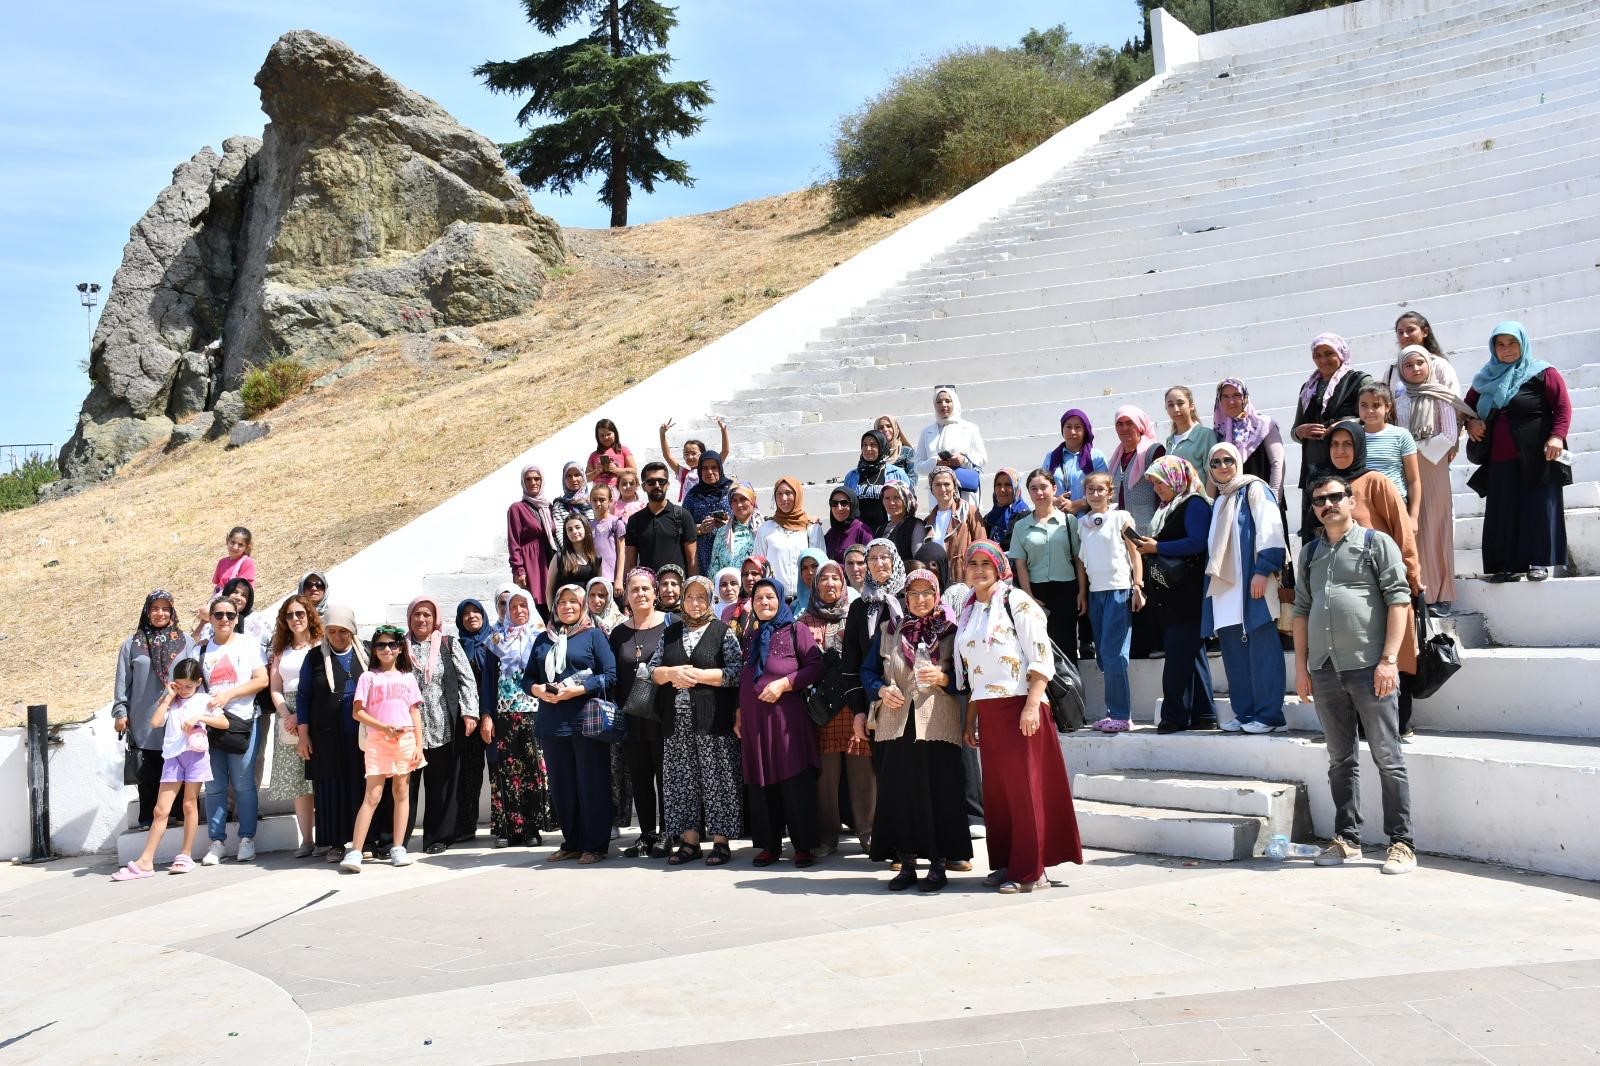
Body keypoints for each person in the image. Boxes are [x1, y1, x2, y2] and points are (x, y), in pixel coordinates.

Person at [1292, 474, 1417, 875]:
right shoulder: (1309, 553)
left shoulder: (1375, 543)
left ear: (1349, 499)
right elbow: (1300, 611)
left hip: (1370, 667)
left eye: (1334, 497)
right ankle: (1348, 839)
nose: (1327, 504)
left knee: (1387, 756)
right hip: (1325, 669)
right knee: (1339, 759)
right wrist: (1301, 667)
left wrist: (1389, 660)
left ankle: (1402, 843)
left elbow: (1399, 600)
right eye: (1319, 500)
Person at [953, 542, 1083, 893]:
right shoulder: (967, 610)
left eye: (986, 564)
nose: (979, 570)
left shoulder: (1018, 602)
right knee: (1000, 796)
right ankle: (1009, 861)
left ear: (999, 568)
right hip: (989, 712)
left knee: (1026, 791)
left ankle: (1032, 871)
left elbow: (1041, 658)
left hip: (1022, 705)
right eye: (972, 564)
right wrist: (970, 720)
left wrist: (1031, 706)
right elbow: (975, 675)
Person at [860, 566, 971, 890]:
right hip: (896, 724)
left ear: (937, 596)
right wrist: (881, 690)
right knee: (900, 795)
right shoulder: (889, 629)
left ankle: (938, 865)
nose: (920, 599)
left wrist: (945, 678)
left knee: (937, 794)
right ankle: (906, 863)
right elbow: (868, 671)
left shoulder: (952, 631)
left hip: (936, 723)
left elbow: (967, 680)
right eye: (913, 593)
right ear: (904, 597)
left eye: (927, 592)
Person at [1321, 420, 1423, 736]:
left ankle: (1396, 724)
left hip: (1384, 585)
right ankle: (1362, 725)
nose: (1340, 451)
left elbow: (1402, 529)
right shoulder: (1324, 488)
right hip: (1348, 592)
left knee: (1394, 652)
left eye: (1347, 444)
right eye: (1335, 445)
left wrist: (1412, 573)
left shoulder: (1375, 481)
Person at [1465, 320, 1572, 583]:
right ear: (1493, 348)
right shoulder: (1484, 378)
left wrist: (1557, 436)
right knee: (1504, 511)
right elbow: (1465, 408)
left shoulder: (1542, 372)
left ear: (1522, 343)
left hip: (1537, 454)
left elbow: (1562, 406)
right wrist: (1470, 422)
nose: (1507, 349)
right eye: (1500, 344)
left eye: (1512, 342)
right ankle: (1507, 566)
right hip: (1499, 457)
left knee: (1537, 507)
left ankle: (1538, 563)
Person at [650, 573, 744, 865]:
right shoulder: (670, 633)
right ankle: (689, 842)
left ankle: (720, 841)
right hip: (675, 719)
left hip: (712, 716)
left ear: (710, 599)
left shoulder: (722, 631)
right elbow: (652, 670)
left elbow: (737, 672)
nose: (694, 602)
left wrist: (701, 676)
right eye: (689, 597)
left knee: (718, 779)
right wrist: (672, 674)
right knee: (681, 779)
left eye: (701, 597)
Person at [374, 597, 480, 855]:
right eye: (417, 615)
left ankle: (437, 838)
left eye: (427, 615)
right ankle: (393, 840)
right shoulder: (398, 646)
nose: (422, 619)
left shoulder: (448, 644)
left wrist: (470, 713)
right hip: (405, 729)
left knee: (440, 786)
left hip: (442, 725)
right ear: (409, 618)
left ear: (435, 618)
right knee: (402, 786)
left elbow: (467, 680)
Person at [525, 584, 617, 864]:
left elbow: (610, 676)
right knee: (563, 786)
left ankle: (596, 845)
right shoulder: (544, 639)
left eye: (573, 602)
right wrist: (537, 690)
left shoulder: (593, 636)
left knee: (592, 784)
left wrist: (579, 689)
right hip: (553, 724)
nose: (567, 606)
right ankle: (573, 842)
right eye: (561, 602)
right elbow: (527, 678)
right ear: (554, 607)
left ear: (582, 606)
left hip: (586, 722)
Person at [111, 660, 227, 880]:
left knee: (189, 804)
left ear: (198, 683)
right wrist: (168, 696)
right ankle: (146, 861)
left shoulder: (204, 700)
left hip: (196, 755)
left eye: (189, 686)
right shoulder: (170, 700)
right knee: (160, 809)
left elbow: (224, 723)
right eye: (180, 685)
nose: (184, 690)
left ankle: (186, 854)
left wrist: (200, 718)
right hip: (172, 757)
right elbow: (155, 722)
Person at [738, 577, 825, 867]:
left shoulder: (795, 630)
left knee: (793, 779)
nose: (764, 602)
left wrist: (784, 684)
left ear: (780, 600)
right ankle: (769, 846)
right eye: (759, 598)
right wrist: (738, 712)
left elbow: (815, 667)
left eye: (770, 597)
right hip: (755, 723)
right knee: (762, 782)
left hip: (787, 720)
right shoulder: (749, 636)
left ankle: (802, 846)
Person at [1202, 442, 1289, 733]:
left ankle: (1269, 715)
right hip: (1225, 588)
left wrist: (1263, 570)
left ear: (1238, 462)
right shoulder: (1219, 500)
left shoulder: (1254, 488)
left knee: (1262, 647)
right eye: (1216, 463)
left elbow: (1271, 530)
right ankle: (1245, 712)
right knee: (1233, 651)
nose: (1223, 466)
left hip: (1252, 582)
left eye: (1228, 460)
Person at [1130, 457, 1216, 733]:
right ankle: (1204, 713)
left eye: (1160, 482)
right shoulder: (1169, 508)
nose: (1156, 488)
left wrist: (1157, 548)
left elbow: (1197, 542)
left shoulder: (1194, 503)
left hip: (1186, 595)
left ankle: (1174, 716)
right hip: (1174, 595)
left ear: (1176, 478)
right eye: (1153, 484)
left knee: (1178, 656)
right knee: (1192, 654)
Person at [1391, 342, 1474, 614]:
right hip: (1405, 468)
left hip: (1432, 464)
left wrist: (1414, 450)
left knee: (1436, 527)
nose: (1415, 369)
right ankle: (1418, 591)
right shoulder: (1399, 398)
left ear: (1429, 364)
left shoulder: (1440, 394)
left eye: (1420, 363)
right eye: (1408, 365)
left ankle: (1441, 592)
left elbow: (1449, 434)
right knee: (1412, 531)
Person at [801, 559, 875, 857]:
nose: (829, 583)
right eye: (823, 579)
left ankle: (870, 834)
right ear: (815, 584)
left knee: (863, 775)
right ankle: (827, 836)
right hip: (823, 709)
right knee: (825, 778)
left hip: (853, 703)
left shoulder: (855, 613)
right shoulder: (804, 621)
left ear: (844, 584)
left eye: (835, 578)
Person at [343, 625, 426, 872]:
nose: (387, 649)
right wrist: (384, 727)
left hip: (406, 740)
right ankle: (356, 851)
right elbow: (358, 712)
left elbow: (415, 711)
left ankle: (399, 847)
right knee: (373, 795)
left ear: (400, 648)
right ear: (374, 649)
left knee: (402, 792)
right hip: (378, 741)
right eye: (381, 645)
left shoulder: (408, 678)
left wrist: (420, 745)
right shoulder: (368, 677)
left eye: (392, 644)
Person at [114, 590, 196, 830]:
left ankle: (181, 814)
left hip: (177, 716)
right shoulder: (132, 644)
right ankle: (148, 817)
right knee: (148, 769)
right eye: (155, 608)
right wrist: (120, 712)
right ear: (147, 611)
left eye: (165, 609)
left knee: (179, 764)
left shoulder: (185, 641)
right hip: (143, 718)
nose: (160, 613)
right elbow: (122, 681)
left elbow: (194, 676)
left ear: (172, 612)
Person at [197, 593, 268, 866]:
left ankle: (247, 837)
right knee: (214, 785)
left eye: (230, 615)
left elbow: (261, 679)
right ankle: (217, 842)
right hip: (210, 724)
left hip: (242, 721)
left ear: (237, 618)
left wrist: (229, 695)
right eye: (218, 615)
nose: (225, 619)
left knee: (242, 783)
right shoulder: (202, 649)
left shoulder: (248, 644)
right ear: (211, 619)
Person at [296, 604, 367, 861]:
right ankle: (336, 843)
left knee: (360, 785)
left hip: (360, 733)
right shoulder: (314, 658)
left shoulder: (366, 652)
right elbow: (303, 697)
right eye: (333, 631)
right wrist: (303, 735)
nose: (338, 636)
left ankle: (364, 840)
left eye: (344, 631)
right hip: (326, 735)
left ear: (352, 631)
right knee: (331, 788)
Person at [1078, 472, 1145, 733]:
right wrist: (1083, 594)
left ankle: (1121, 714)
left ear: (1110, 492)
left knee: (1113, 653)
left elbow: (1135, 553)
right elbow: (1082, 563)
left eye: (1100, 490)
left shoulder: (1121, 518)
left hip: (1119, 590)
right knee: (1105, 658)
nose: (1095, 494)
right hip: (1096, 594)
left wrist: (1137, 586)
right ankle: (1111, 712)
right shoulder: (1082, 523)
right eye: (1090, 490)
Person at [488, 589, 553, 848]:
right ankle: (511, 828)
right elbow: (488, 681)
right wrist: (486, 715)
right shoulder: (495, 639)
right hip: (505, 713)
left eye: (523, 606)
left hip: (535, 710)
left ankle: (532, 828)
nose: (518, 611)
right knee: (508, 770)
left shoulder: (541, 637)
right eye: (513, 607)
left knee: (533, 770)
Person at [612, 568, 669, 857]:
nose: (640, 594)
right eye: (634, 590)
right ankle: (647, 833)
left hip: (662, 717)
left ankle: (668, 832)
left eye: (645, 589)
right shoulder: (619, 633)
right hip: (632, 718)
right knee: (641, 777)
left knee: (665, 776)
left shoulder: (671, 625)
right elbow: (614, 676)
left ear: (655, 592)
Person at [1293, 332, 1371, 536]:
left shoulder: (1358, 380)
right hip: (1313, 467)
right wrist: (1301, 431)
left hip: (1345, 464)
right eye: (1317, 355)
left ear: (1341, 353)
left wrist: (1342, 424)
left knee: (1344, 521)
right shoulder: (1308, 388)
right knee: (1316, 528)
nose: (1323, 360)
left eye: (1329, 353)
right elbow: (1295, 430)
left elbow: (1372, 416)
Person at [1008, 470, 1084, 661]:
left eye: (1044, 487)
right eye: (1034, 489)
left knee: (1066, 647)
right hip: (1036, 591)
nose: (1039, 493)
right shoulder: (1021, 526)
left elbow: (1078, 560)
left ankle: (1070, 689)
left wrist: (1082, 592)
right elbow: (1020, 564)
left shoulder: (1069, 521)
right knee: (1039, 648)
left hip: (1066, 590)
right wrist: (1029, 597)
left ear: (1054, 488)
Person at [266, 595, 320, 856]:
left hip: (315, 714)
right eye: (289, 615)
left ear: (309, 614)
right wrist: (288, 715)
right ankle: (306, 840)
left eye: (300, 613)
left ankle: (326, 837)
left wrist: (302, 716)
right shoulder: (281, 649)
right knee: (299, 784)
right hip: (288, 717)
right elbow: (275, 688)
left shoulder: (320, 645)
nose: (295, 619)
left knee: (320, 779)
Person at [1213, 377, 1286, 528]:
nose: (1231, 401)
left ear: (1245, 397)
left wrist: (1272, 501)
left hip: (1263, 500)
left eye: (1236, 395)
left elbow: (1277, 463)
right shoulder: (1218, 432)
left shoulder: (1264, 424)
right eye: (1225, 396)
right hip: (1233, 506)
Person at [454, 598, 497, 843]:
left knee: (498, 770)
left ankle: (502, 823)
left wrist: (488, 714)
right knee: (469, 772)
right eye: (466, 613)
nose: (471, 616)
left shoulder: (495, 641)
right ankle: (465, 826)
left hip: (493, 715)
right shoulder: (457, 647)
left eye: (475, 612)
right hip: (468, 719)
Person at [1356, 382, 1422, 525]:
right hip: (1362, 506)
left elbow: (1413, 480)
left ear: (1388, 407)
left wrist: (1413, 517)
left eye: (1376, 405)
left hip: (1394, 503)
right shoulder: (1353, 435)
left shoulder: (1401, 435)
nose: (1369, 411)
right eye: (1364, 405)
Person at [914, 386, 987, 507]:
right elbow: (918, 466)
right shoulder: (927, 432)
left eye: (948, 401)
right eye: (939, 402)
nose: (943, 405)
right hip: (938, 493)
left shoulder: (969, 428)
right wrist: (935, 462)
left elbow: (982, 459)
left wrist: (963, 459)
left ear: (955, 402)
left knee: (964, 523)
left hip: (964, 491)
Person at [624, 461, 699, 579]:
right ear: (644, 487)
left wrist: (692, 587)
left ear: (668, 484)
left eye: (661, 481)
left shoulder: (683, 516)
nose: (657, 485)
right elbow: (629, 563)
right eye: (651, 482)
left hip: (676, 590)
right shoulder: (635, 521)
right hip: (647, 591)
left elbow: (692, 560)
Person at [755, 476, 824, 590]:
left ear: (797, 495)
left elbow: (820, 565)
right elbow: (759, 565)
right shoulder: (765, 529)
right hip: (775, 599)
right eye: (779, 494)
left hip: (806, 599)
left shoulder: (812, 528)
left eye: (788, 493)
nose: (784, 498)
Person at [507, 465, 559, 617]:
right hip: (532, 562)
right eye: (528, 479)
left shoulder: (548, 506)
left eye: (537, 479)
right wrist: (519, 570)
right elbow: (513, 542)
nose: (533, 482)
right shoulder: (516, 508)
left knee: (554, 600)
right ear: (523, 482)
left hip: (550, 558)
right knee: (537, 604)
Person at [922, 468, 988, 585]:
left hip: (963, 580)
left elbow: (982, 546)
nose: (942, 489)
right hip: (937, 581)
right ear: (932, 489)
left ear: (954, 487)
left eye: (947, 484)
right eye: (937, 484)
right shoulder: (928, 521)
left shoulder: (969, 512)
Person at [1107, 405, 1165, 536]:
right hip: (1119, 532)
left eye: (1129, 423)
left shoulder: (1154, 451)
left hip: (1147, 530)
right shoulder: (1116, 457)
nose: (1124, 428)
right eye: (1119, 424)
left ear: (1140, 425)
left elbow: (1164, 491)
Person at [1044, 409, 1109, 516]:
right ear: (1062, 429)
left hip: (1089, 521)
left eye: (1078, 427)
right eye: (1068, 427)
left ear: (1085, 431)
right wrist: (1055, 501)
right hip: (1058, 520)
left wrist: (1078, 504)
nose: (1072, 432)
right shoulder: (1050, 457)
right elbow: (1044, 487)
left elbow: (1104, 490)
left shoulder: (1096, 457)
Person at [659, 417, 731, 502]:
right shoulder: (683, 473)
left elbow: (725, 451)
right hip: (688, 511)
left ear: (702, 454)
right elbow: (667, 455)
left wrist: (723, 430)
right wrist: (662, 434)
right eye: (686, 454)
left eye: (693, 453)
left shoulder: (710, 468)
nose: (689, 457)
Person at [683, 451, 733, 572]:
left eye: (714, 467)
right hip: (703, 557)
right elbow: (682, 526)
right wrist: (700, 529)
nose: (709, 472)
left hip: (731, 552)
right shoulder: (692, 495)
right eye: (704, 468)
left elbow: (747, 520)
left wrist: (729, 525)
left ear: (720, 468)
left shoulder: (732, 491)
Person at [843, 429, 894, 530]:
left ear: (881, 446)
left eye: (873, 444)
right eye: (864, 445)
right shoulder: (851, 476)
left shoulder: (896, 474)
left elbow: (908, 504)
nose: (868, 448)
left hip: (888, 531)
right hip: (860, 533)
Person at [708, 481, 761, 578]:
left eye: (743, 499)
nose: (739, 505)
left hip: (757, 589)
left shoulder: (763, 528)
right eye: (734, 501)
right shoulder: (722, 533)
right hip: (729, 589)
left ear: (752, 500)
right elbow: (714, 568)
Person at [547, 514, 601, 609]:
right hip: (565, 611)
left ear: (586, 528)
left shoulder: (596, 558)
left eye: (577, 527)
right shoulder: (559, 557)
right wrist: (552, 614)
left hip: (587, 612)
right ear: (566, 534)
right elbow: (549, 590)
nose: (574, 531)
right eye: (570, 529)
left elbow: (599, 588)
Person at [1164, 386, 1220, 472]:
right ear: (1166, 409)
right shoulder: (1170, 441)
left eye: (1180, 403)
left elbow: (1212, 474)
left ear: (1191, 406)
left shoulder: (1205, 435)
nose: (1176, 409)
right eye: (1171, 405)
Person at [877, 468, 925, 564]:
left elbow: (918, 563)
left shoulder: (916, 526)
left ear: (906, 500)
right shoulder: (881, 529)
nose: (891, 503)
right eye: (887, 498)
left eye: (896, 497)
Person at [589, 483, 627, 588]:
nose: (598, 503)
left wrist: (619, 579)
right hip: (594, 578)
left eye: (602, 500)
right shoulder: (588, 525)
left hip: (612, 579)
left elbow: (621, 553)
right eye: (594, 500)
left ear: (610, 501)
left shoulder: (616, 523)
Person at [824, 485, 874, 563]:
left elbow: (870, 562)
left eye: (844, 503)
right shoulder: (830, 534)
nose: (839, 508)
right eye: (834, 503)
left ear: (853, 505)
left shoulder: (862, 531)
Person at [983, 468, 1030, 551]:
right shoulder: (988, 519)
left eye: (1008, 484)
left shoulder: (1025, 516)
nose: (1002, 489)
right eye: (998, 484)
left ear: (1016, 487)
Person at [551, 462, 594, 550]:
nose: (573, 479)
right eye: (569, 476)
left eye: (577, 475)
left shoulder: (593, 500)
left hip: (594, 550)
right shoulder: (559, 505)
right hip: (572, 554)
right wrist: (571, 553)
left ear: (583, 477)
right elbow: (560, 532)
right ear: (564, 480)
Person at [726, 555, 771, 638]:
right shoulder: (729, 611)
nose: (749, 578)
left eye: (754, 573)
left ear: (765, 575)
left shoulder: (775, 608)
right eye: (745, 574)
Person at [585, 417, 635, 490]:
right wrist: (597, 471)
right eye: (602, 435)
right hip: (599, 492)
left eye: (608, 434)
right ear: (597, 437)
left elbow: (634, 471)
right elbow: (586, 478)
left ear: (615, 433)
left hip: (619, 490)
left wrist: (616, 470)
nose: (606, 438)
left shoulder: (623, 450)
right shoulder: (594, 455)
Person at [875, 413, 919, 492]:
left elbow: (913, 477)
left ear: (895, 428)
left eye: (889, 426)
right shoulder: (874, 453)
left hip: (903, 497)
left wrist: (898, 491)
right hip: (880, 498)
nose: (885, 429)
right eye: (880, 427)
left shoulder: (907, 451)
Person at [212, 526, 256, 594]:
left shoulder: (247, 562)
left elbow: (242, 589)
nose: (235, 547)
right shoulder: (222, 562)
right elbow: (218, 585)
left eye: (240, 545)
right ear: (227, 541)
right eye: (232, 542)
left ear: (247, 547)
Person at [791, 546, 829, 615]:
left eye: (814, 566)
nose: (810, 572)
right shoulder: (794, 606)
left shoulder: (847, 599)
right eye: (804, 568)